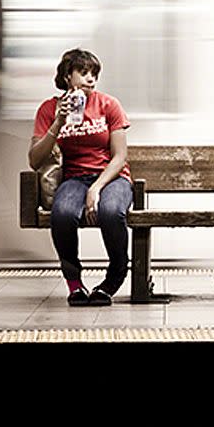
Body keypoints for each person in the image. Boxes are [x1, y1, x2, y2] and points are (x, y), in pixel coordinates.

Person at [28, 48, 133, 306]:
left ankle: (113, 279)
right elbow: (34, 160)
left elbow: (119, 156)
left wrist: (96, 188)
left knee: (111, 212)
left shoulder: (109, 105)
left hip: (112, 178)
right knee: (62, 214)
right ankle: (74, 283)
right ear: (67, 76)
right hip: (74, 179)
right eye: (83, 73)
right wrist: (58, 122)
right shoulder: (49, 109)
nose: (91, 80)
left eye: (94, 74)